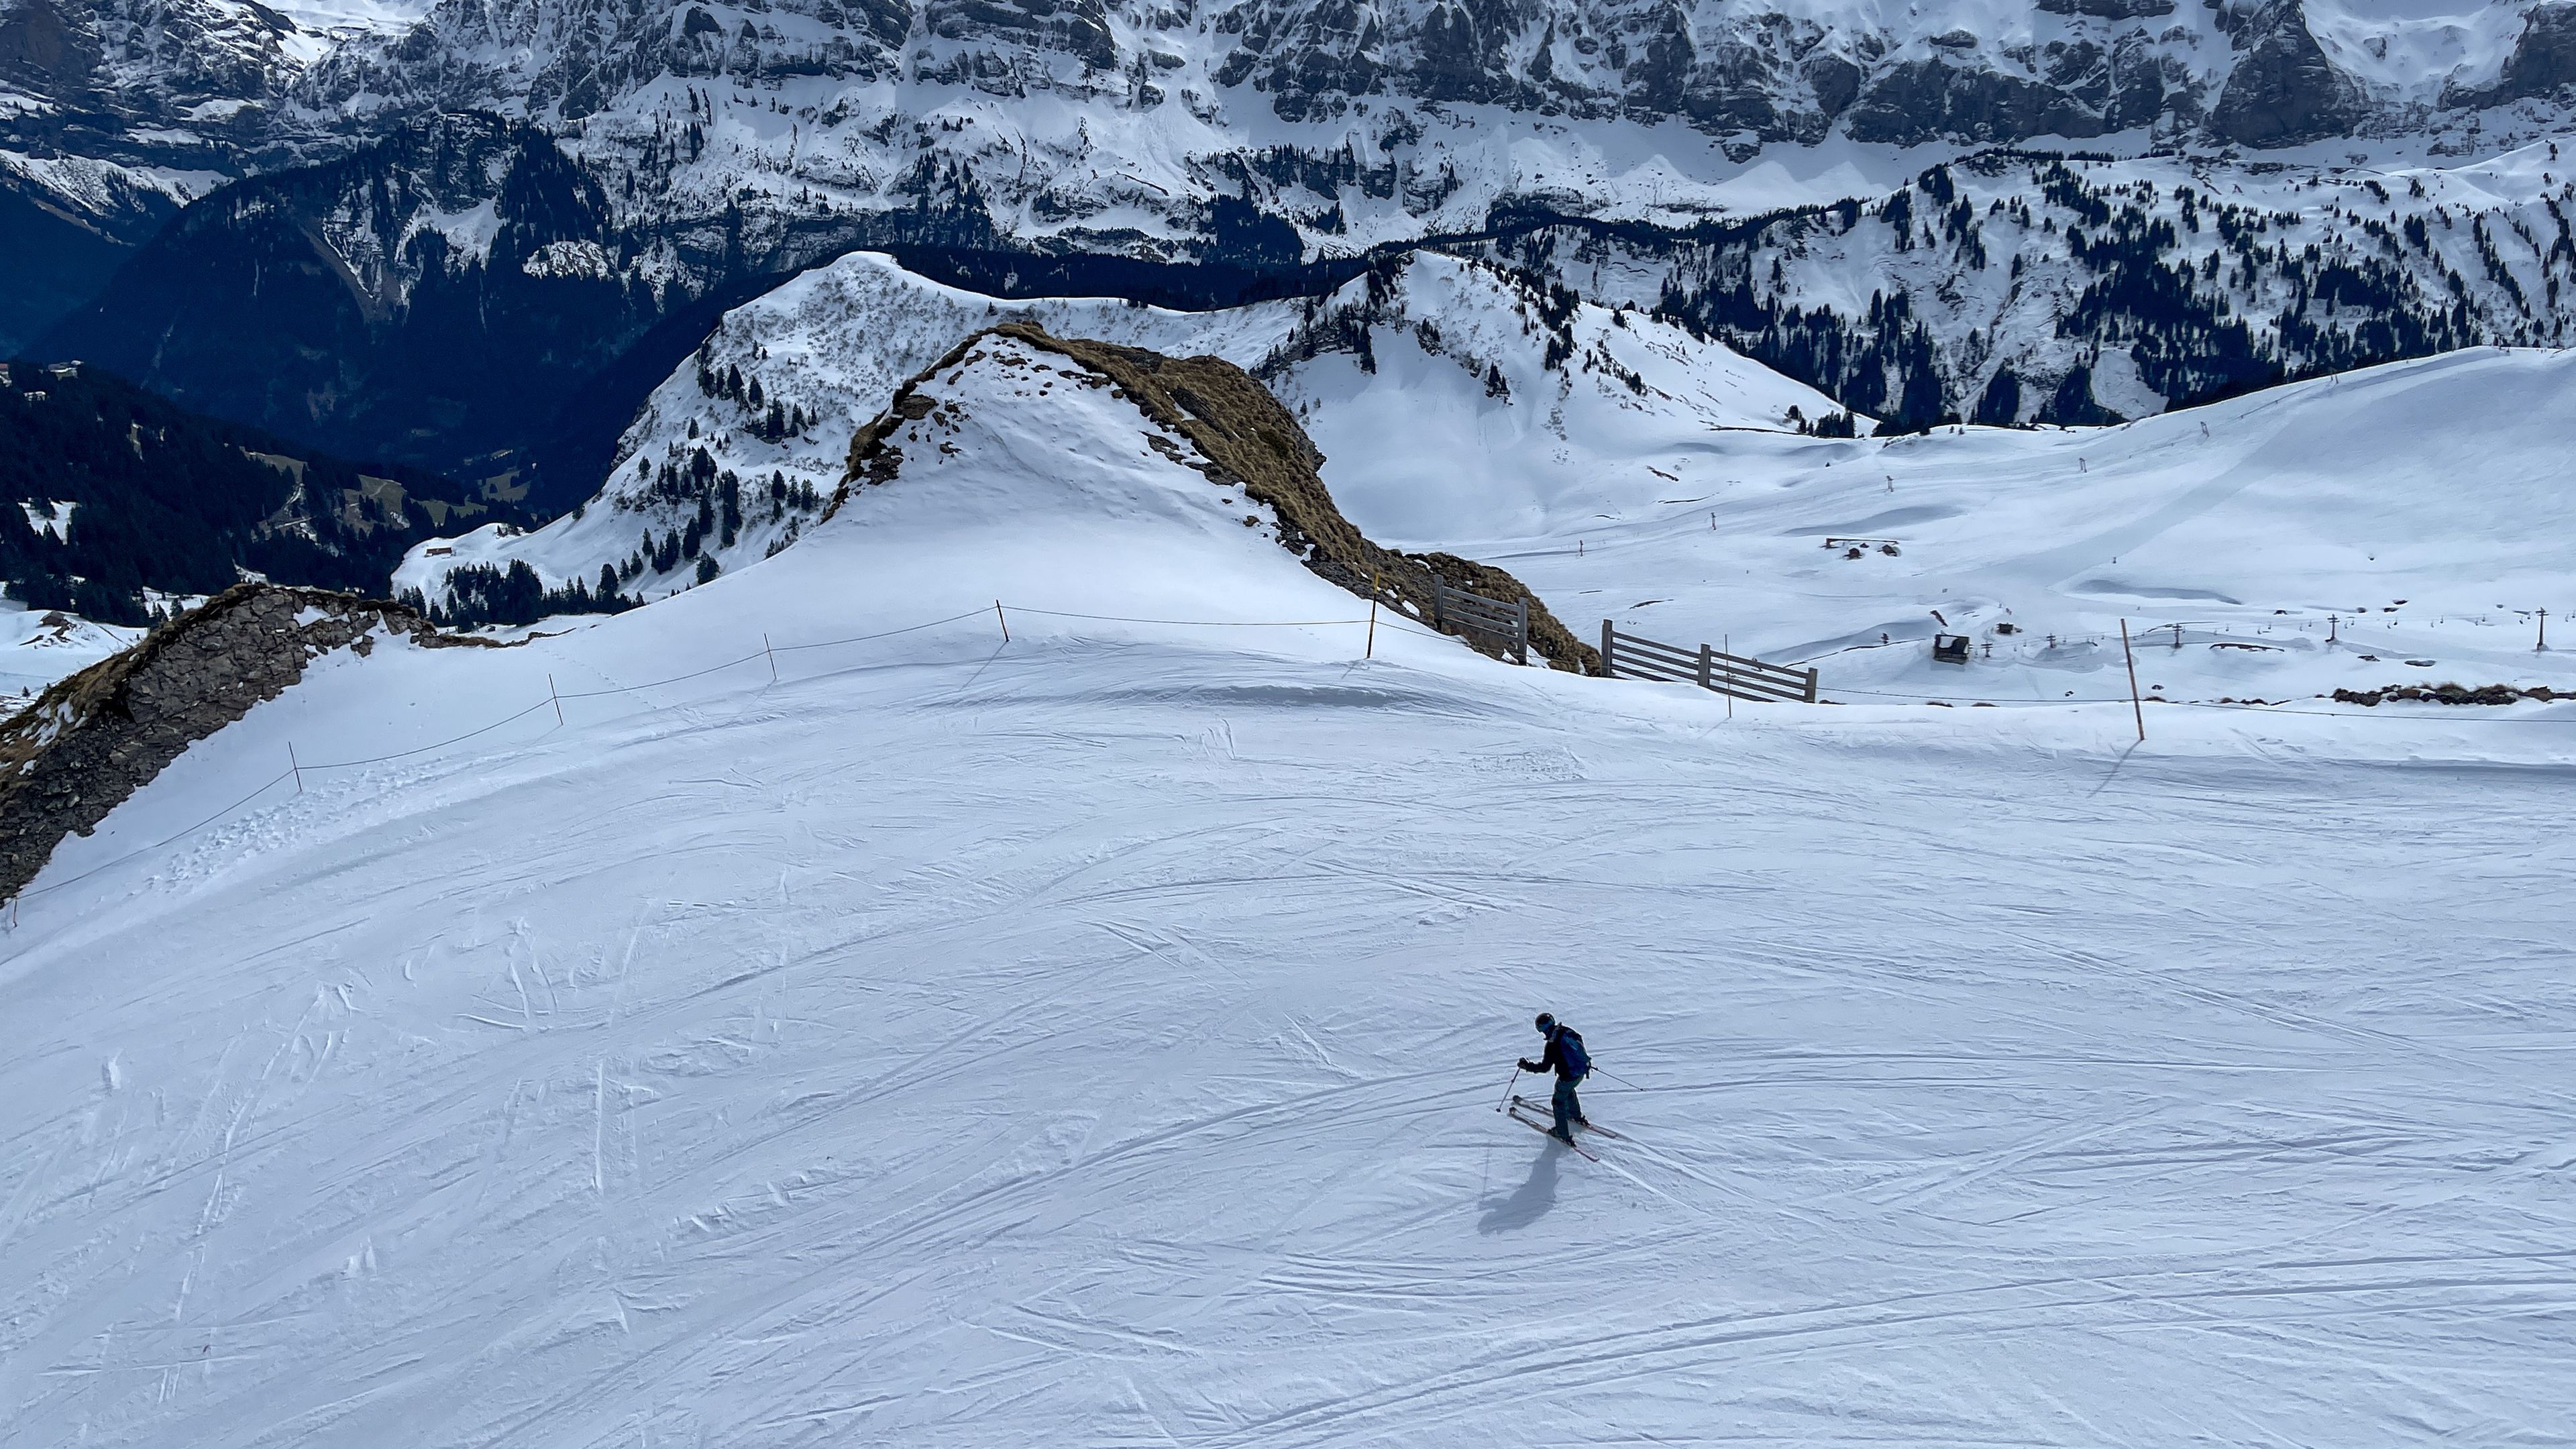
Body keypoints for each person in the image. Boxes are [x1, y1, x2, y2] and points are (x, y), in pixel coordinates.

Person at [1518, 1012, 1591, 1145]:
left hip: (1568, 1076)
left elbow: (1545, 1068)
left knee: (1558, 1101)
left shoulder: (1553, 1045)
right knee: (1568, 1089)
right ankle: (1575, 1115)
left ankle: (1562, 1132)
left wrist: (1527, 1066)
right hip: (1580, 1072)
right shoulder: (1566, 1031)